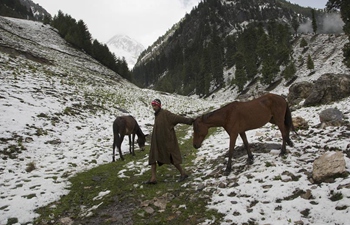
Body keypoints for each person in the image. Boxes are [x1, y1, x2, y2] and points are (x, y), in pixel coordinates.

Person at [144, 98, 194, 184]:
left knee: (172, 158)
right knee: (153, 157)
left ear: (159, 105)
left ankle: (183, 173)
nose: (154, 107)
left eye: (155, 105)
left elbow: (177, 118)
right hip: (156, 141)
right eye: (153, 105)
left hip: (166, 141)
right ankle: (153, 178)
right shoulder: (157, 115)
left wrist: (190, 121)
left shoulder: (166, 114)